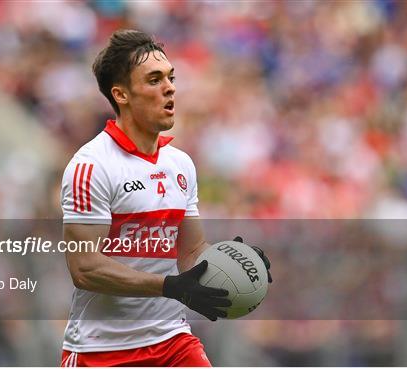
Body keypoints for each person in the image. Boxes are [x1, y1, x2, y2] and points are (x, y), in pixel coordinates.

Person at [60, 29, 272, 367]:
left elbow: (191, 252)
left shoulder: (180, 164)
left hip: (172, 342)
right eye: (154, 79)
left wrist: (236, 261)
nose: (170, 87)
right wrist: (169, 286)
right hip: (100, 351)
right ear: (122, 95)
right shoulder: (91, 166)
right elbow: (85, 269)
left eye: (171, 77)